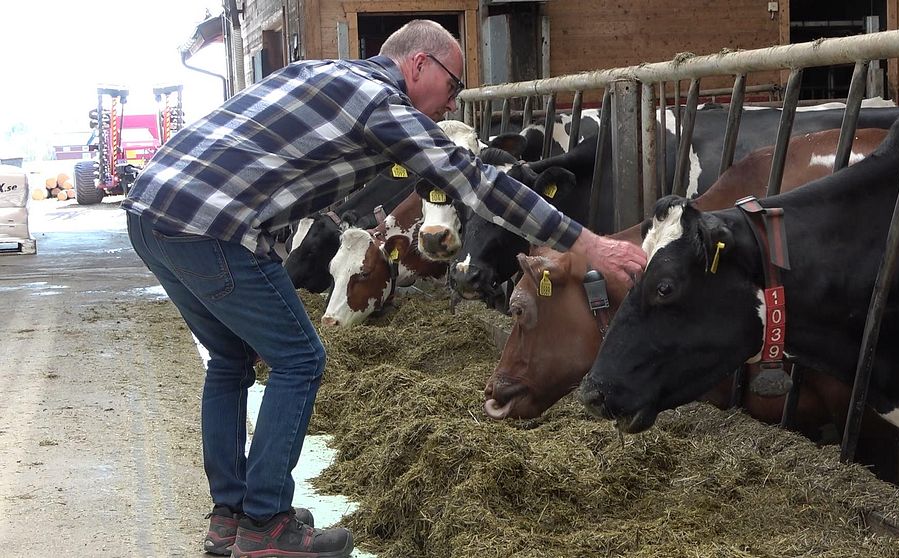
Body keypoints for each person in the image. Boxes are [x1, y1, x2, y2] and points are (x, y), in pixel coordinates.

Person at [122, 19, 645, 558]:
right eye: (453, 86)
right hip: (209, 227)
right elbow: (478, 182)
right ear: (419, 65)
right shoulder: (380, 105)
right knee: (300, 359)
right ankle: (266, 525)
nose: (452, 103)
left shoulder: (322, 75)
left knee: (231, 359)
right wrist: (591, 244)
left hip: (154, 213)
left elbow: (270, 182)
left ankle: (230, 517)